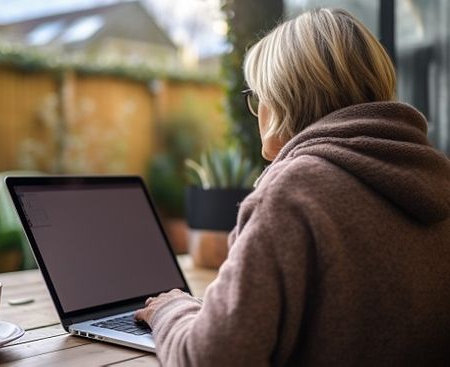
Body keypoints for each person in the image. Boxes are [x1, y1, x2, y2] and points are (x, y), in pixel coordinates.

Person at [135, 8, 450, 366]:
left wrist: (170, 309)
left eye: (257, 96)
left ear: (283, 99)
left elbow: (207, 358)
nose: (258, 111)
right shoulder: (435, 180)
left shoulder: (294, 192)